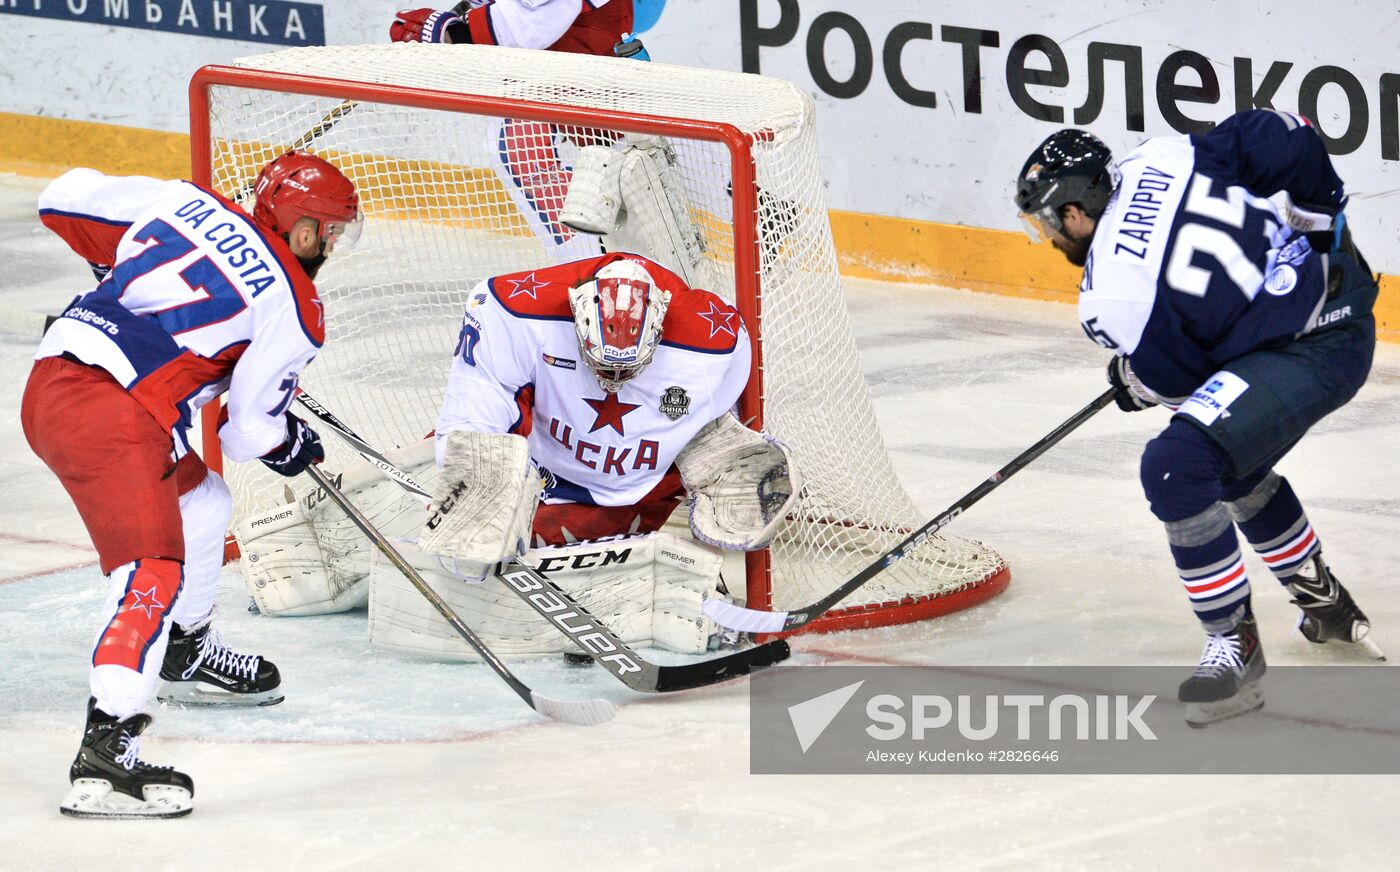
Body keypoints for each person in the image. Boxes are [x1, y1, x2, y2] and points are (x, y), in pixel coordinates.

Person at [238, 252, 799, 661]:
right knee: (388, 532)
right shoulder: (515, 308)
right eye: (600, 364)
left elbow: (711, 421)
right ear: (577, 319)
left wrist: (720, 455)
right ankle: (295, 556)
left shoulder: (716, 340)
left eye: (628, 369)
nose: (612, 379)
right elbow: (475, 414)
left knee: (472, 598)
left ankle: (647, 593)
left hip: (623, 497)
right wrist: (484, 489)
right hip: (532, 465)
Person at [1013, 109, 1382, 726]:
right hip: (1336, 292)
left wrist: (1136, 381)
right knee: (1223, 458)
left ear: (1074, 214)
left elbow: (1181, 379)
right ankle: (1326, 603)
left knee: (1177, 465)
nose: (1049, 237)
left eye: (1047, 222)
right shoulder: (1157, 158)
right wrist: (1323, 216)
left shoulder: (1110, 297)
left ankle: (1235, 645)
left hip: (1314, 347)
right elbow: (1284, 131)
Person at [23, 151, 361, 817]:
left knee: (204, 505)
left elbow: (59, 199)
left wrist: (115, 272)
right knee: (151, 575)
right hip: (117, 417)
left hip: (52, 381)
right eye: (330, 233)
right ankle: (105, 752)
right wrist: (290, 442)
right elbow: (247, 433)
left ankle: (185, 648)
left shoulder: (184, 201)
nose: (331, 246)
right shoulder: (296, 305)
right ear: (303, 233)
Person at [388, 2, 680, 269]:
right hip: (582, 52)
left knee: (520, 147)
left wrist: (451, 34)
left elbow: (537, 18)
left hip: (584, 55)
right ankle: (595, 271)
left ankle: (592, 274)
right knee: (544, 152)